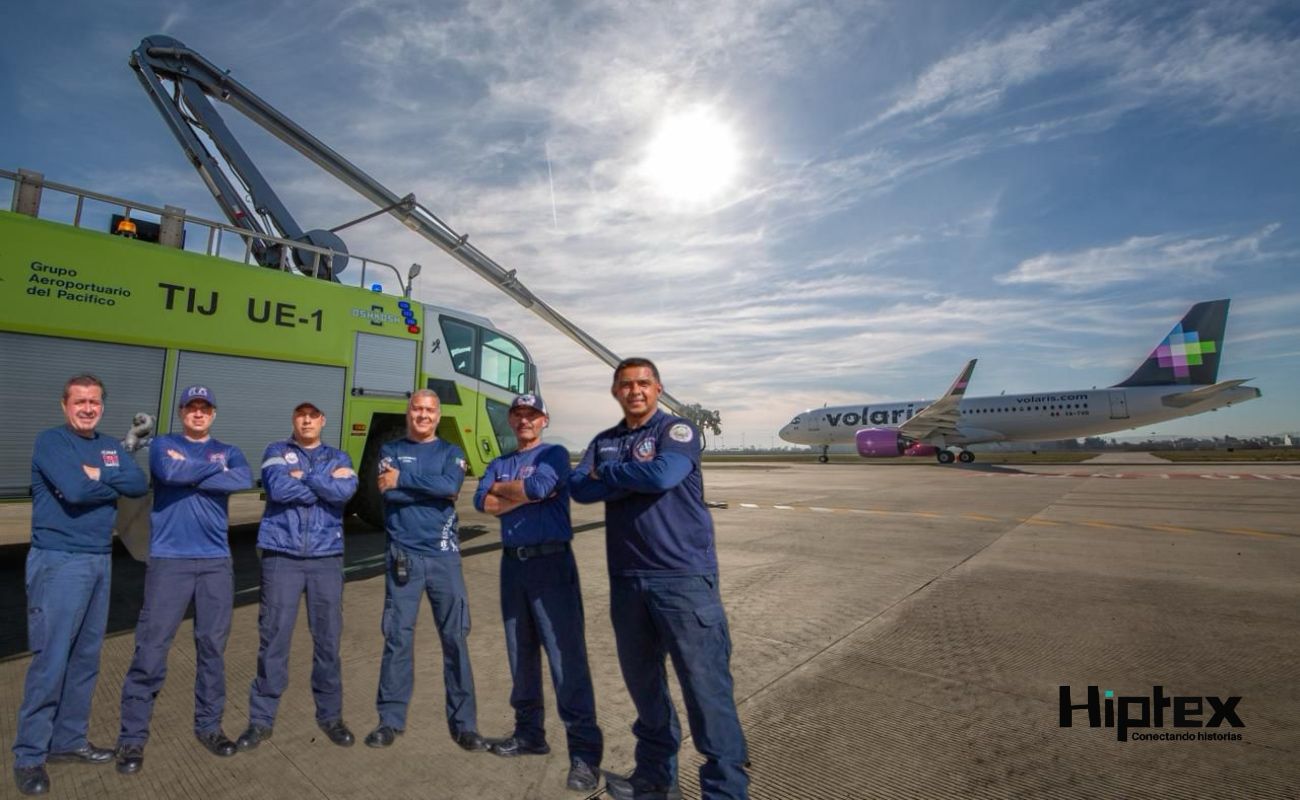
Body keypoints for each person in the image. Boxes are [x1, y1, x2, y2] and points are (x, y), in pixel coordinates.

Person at [570, 358, 750, 800]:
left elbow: (664, 474)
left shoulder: (677, 431)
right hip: (628, 581)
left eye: (643, 383)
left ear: (658, 388)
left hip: (683, 580)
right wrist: (631, 478)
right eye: (626, 384)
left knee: (706, 693)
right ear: (615, 392)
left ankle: (725, 791)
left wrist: (610, 475)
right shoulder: (605, 440)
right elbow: (578, 487)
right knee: (645, 690)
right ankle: (655, 782)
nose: (635, 391)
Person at [12, 375, 148, 796]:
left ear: (102, 407)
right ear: (64, 405)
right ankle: (30, 755)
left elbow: (138, 484)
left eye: (94, 402)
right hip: (59, 561)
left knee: (86, 658)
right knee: (51, 659)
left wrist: (97, 474)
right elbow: (72, 490)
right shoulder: (51, 442)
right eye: (80, 401)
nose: (87, 408)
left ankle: (68, 741)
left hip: (98, 561)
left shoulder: (108, 446)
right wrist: (104, 478)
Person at [115, 385, 253, 775]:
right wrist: (212, 472)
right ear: (181, 412)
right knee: (151, 649)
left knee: (212, 648)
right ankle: (131, 739)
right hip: (170, 562)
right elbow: (167, 472)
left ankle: (209, 727)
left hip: (214, 563)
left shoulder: (231, 451)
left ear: (213, 413)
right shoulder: (162, 446)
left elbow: (242, 477)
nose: (198, 413)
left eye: (204, 408)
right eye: (191, 407)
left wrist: (194, 473)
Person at [473, 394, 603, 792]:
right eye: (519, 415)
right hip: (513, 565)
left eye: (532, 415)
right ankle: (529, 734)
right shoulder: (499, 461)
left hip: (551, 565)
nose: (525, 421)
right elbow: (483, 501)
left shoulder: (556, 455)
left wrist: (507, 492)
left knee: (566, 660)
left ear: (544, 420)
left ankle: (584, 754)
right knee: (521, 653)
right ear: (511, 421)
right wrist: (519, 491)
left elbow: (543, 487)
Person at [364, 389, 487, 753]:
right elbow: (387, 493)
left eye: (429, 410)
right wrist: (413, 487)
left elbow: (450, 487)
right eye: (417, 409)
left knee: (455, 639)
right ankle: (390, 720)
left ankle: (465, 725)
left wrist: (403, 481)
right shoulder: (390, 451)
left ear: (438, 415)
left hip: (444, 558)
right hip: (403, 557)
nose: (423, 415)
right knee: (397, 638)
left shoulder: (451, 452)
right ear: (408, 413)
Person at [236, 401, 359, 752]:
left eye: (313, 416)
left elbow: (343, 494)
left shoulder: (340, 457)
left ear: (322, 421)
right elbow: (277, 489)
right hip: (282, 556)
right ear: (294, 419)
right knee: (273, 638)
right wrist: (321, 483)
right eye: (301, 415)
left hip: (326, 558)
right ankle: (261, 721)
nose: (306, 420)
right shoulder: (276, 451)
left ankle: (331, 716)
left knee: (328, 641)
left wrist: (304, 478)